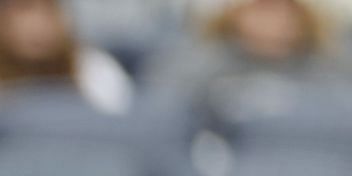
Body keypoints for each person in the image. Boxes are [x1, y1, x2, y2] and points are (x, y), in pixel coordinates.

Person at [0, 0, 133, 157]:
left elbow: (119, 141)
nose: (36, 22)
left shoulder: (97, 66)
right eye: (23, 9)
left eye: (48, 9)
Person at [146, 0, 350, 126]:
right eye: (263, 8)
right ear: (233, 12)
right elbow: (162, 116)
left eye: (285, 7)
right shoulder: (190, 66)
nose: (274, 20)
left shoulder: (336, 70)